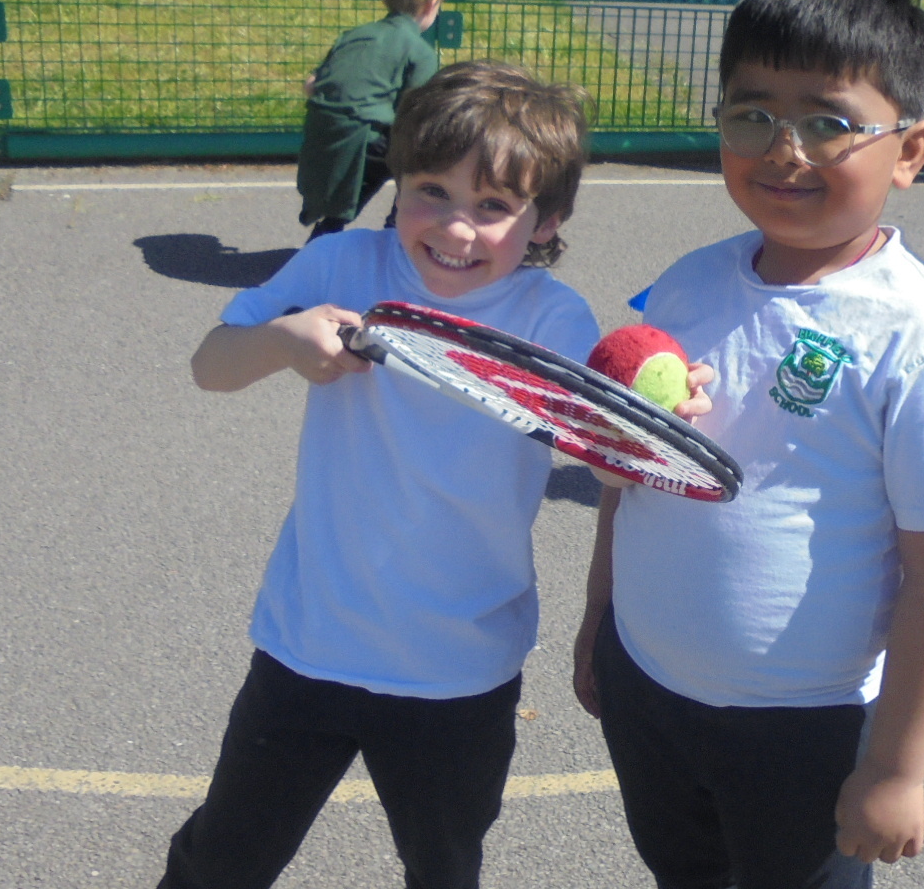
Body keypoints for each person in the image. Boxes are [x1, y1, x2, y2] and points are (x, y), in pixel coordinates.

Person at [572, 0, 924, 889]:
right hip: (647, 690)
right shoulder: (686, 285)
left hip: (807, 728)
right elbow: (632, 482)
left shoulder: (922, 338)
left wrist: (895, 770)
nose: (784, 150)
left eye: (827, 123)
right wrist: (600, 616)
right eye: (752, 114)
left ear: (911, 150)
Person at [161, 60, 599, 889]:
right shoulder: (340, 264)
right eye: (432, 190)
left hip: (459, 669)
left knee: (443, 867)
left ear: (546, 220)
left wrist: (666, 414)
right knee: (223, 858)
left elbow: (615, 453)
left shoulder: (553, 319)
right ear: (398, 181)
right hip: (308, 647)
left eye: (494, 206)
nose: (455, 228)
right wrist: (283, 341)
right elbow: (209, 367)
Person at [296, 0, 447, 241]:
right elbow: (414, 113)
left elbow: (312, 84)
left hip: (323, 133)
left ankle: (325, 238)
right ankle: (397, 230)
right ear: (432, 4)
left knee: (342, 206)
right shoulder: (420, 52)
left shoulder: (354, 35)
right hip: (366, 138)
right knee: (424, 161)